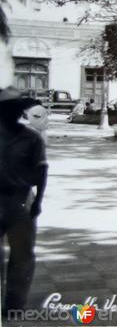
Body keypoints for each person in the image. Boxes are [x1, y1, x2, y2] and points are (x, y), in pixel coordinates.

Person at [0, 87, 48, 315]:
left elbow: (41, 171)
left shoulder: (32, 138)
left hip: (20, 200)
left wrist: (38, 201)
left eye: (15, 110)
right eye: (5, 110)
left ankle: (15, 303)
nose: (10, 114)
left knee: (22, 255)